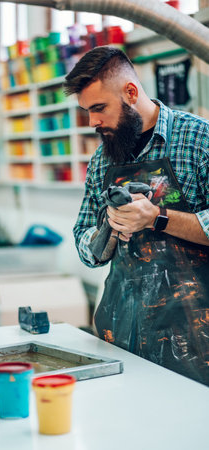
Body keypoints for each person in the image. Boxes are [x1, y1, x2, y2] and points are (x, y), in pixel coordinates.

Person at [64, 46, 209, 385]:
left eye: (99, 108)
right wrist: (109, 229)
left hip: (197, 335)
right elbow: (84, 241)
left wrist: (157, 217)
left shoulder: (199, 140)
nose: (92, 122)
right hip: (121, 328)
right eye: (86, 111)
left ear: (130, 92)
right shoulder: (103, 158)